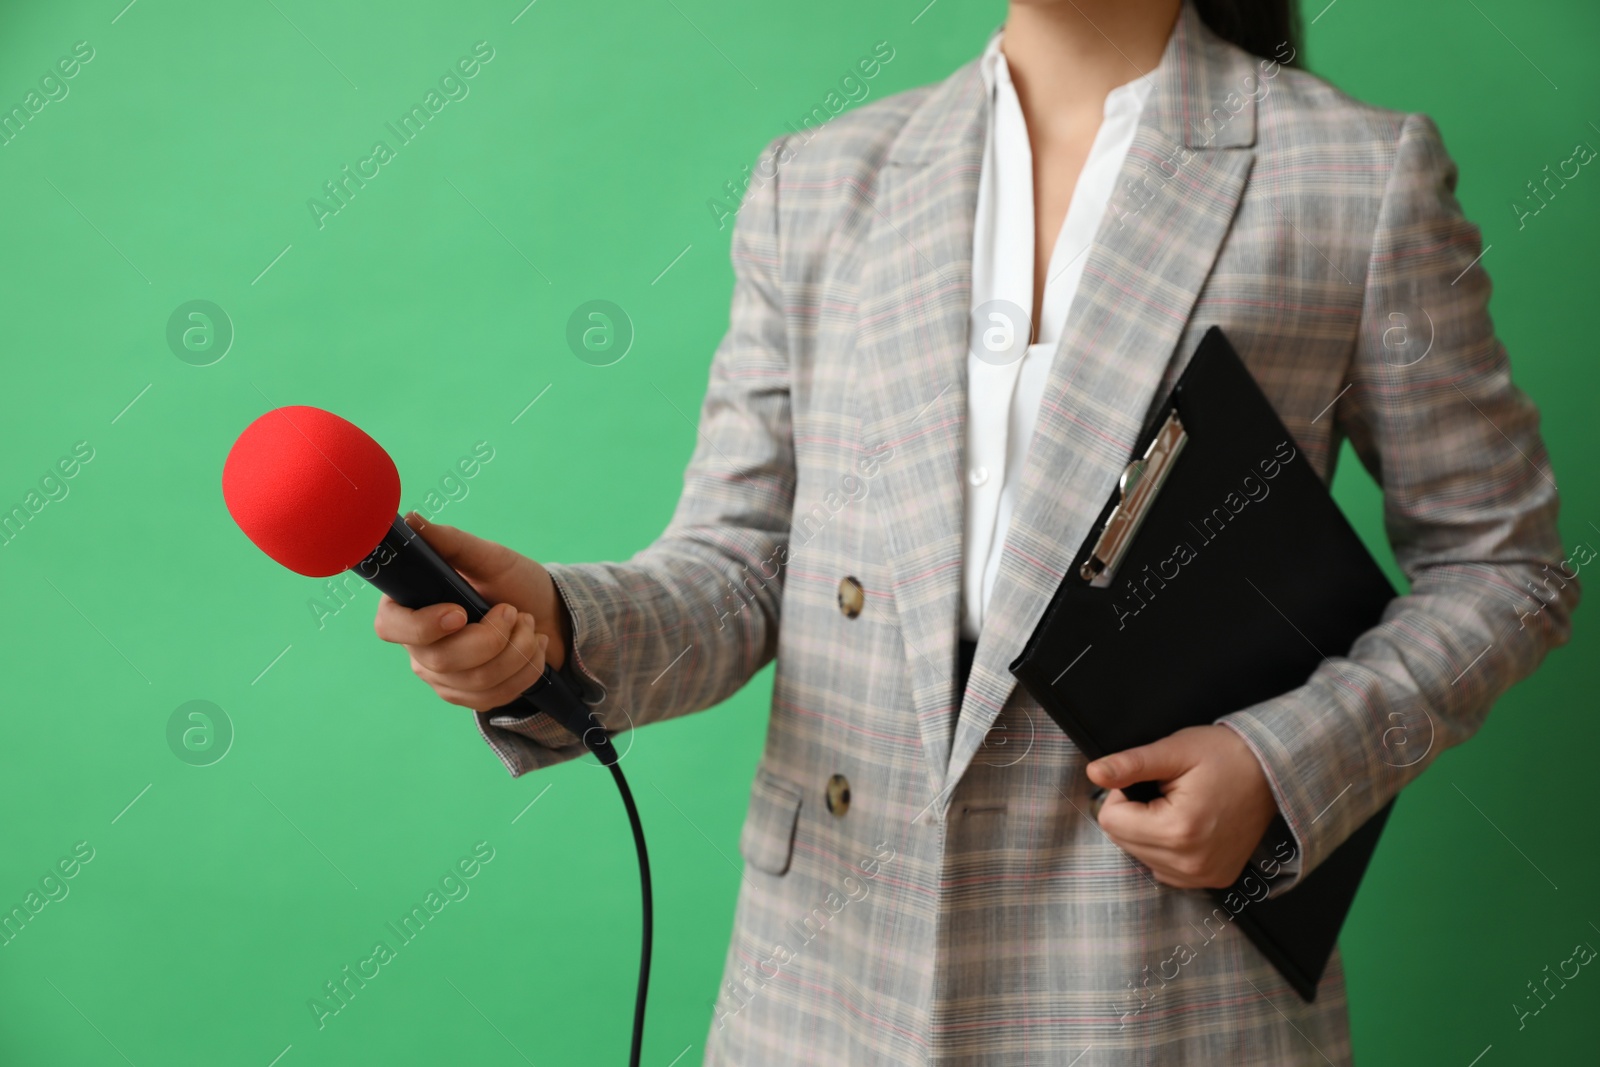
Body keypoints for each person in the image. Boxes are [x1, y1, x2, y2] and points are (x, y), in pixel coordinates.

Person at [373, 0, 1578, 1062]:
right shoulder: (820, 181)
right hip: (823, 986)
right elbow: (742, 569)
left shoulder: (1353, 177)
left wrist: (1286, 761)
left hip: (1158, 990)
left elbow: (1506, 565)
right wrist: (558, 620)